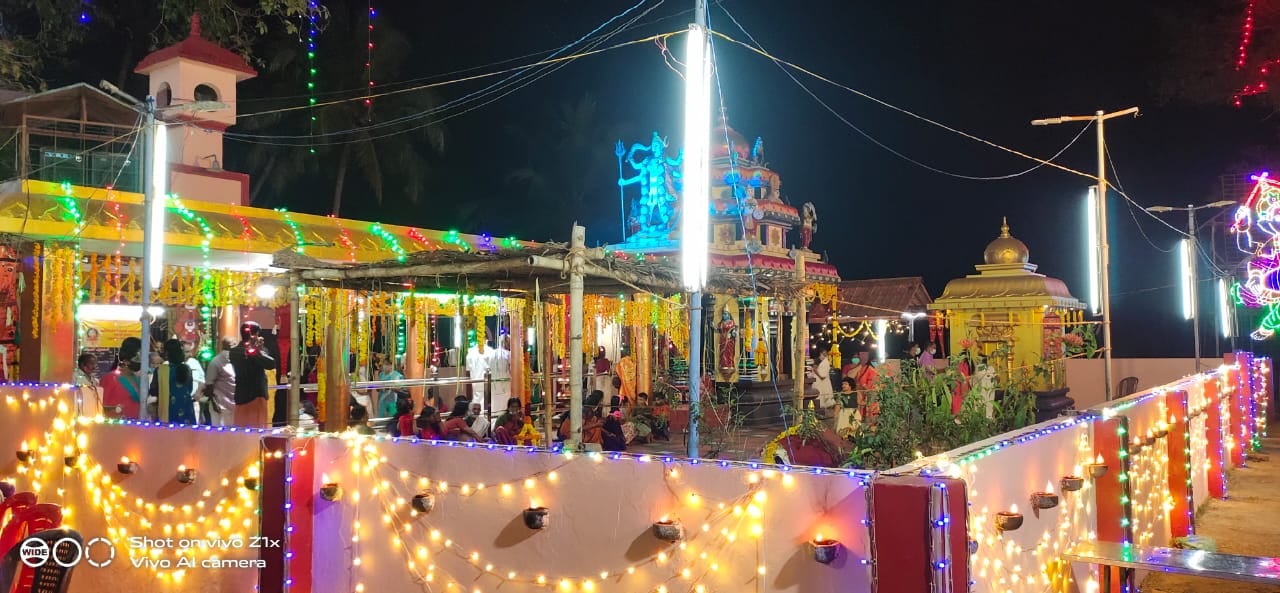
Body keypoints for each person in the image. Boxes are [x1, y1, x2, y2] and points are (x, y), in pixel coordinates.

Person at [230, 321, 277, 428]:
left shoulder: (234, 351)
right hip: (256, 396)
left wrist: (257, 349)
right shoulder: (252, 351)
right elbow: (271, 364)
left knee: (240, 431)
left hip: (241, 396)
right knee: (257, 433)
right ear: (254, 335)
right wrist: (259, 350)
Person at [150, 339, 197, 424]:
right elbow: (189, 389)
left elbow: (154, 391)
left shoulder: (160, 370)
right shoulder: (187, 369)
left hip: (168, 412)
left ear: (167, 354)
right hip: (186, 409)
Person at [101, 337, 143, 419]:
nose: (141, 362)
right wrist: (116, 410)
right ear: (126, 360)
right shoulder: (110, 378)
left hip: (137, 428)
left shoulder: (139, 379)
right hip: (115, 428)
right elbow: (99, 406)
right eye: (137, 358)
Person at [203, 337, 238, 427]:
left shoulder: (235, 361)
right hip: (220, 405)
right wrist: (214, 404)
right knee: (219, 434)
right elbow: (209, 385)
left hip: (233, 404)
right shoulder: (216, 362)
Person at [73, 352, 102, 417]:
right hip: (77, 411)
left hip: (91, 412)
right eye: (92, 364)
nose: (94, 367)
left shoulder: (95, 380)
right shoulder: (74, 377)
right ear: (83, 364)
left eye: (95, 364)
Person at [808, 348, 834, 417]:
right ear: (821, 352)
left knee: (826, 391)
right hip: (819, 379)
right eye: (824, 352)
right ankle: (819, 406)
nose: (826, 353)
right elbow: (815, 369)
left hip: (825, 379)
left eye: (826, 352)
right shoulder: (817, 360)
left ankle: (827, 406)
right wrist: (820, 377)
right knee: (819, 392)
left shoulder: (826, 360)